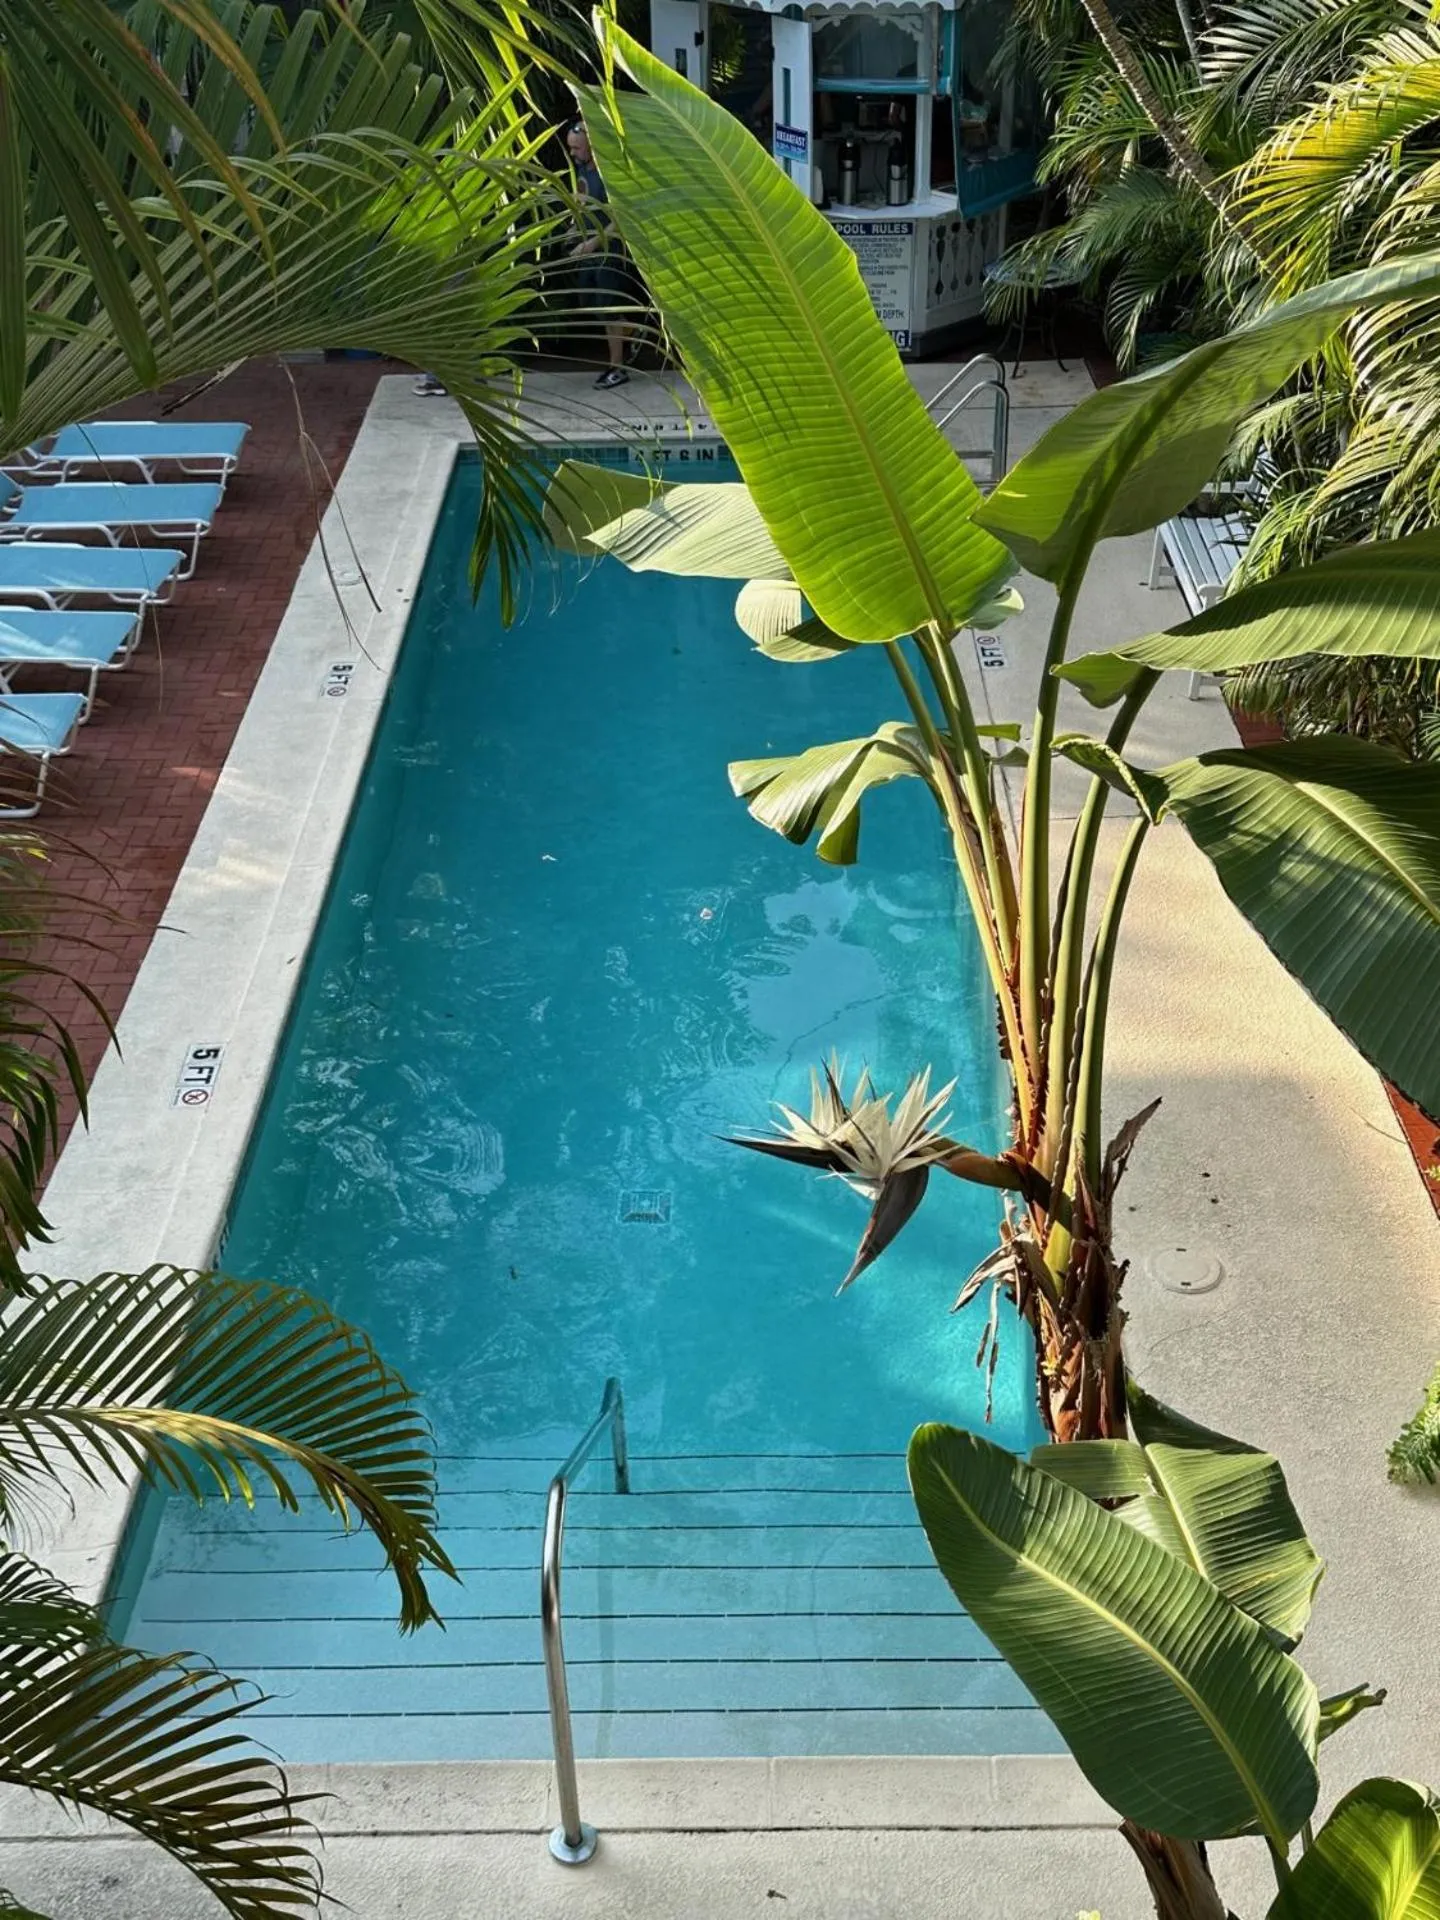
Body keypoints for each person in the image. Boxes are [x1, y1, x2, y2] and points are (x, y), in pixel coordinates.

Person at [565, 119, 635, 390]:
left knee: (609, 309)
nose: (573, 154)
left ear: (592, 147)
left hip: (610, 250)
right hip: (589, 247)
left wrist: (594, 242)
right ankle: (632, 331)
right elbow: (581, 198)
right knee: (588, 300)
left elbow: (621, 218)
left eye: (577, 148)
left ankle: (617, 368)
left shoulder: (611, 173)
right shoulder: (583, 168)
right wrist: (572, 227)